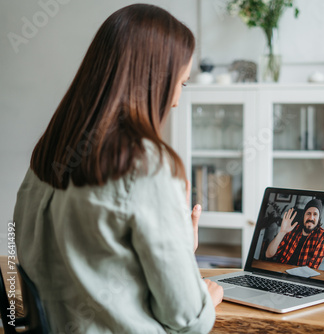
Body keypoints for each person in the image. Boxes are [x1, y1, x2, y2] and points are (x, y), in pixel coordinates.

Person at [13, 4, 222, 333]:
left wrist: (177, 244)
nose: (177, 101)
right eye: (179, 85)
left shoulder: (48, 153)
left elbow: (91, 269)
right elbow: (185, 320)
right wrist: (202, 293)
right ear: (152, 82)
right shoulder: (145, 165)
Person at [265, 199, 324, 269]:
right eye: (308, 213)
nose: (311, 218)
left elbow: (312, 268)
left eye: (315, 214)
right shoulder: (292, 229)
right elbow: (268, 254)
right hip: (280, 271)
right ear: (303, 215)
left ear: (319, 218)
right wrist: (282, 232)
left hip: (300, 277)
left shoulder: (321, 235)